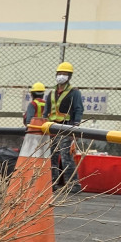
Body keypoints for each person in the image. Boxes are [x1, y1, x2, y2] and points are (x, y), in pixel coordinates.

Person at [46, 61, 83, 191]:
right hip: (52, 129)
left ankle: (73, 184)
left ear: (69, 76)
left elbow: (78, 109)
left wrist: (75, 128)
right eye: (59, 73)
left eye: (64, 74)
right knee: (52, 157)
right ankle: (52, 183)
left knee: (66, 157)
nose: (61, 76)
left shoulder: (74, 92)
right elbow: (47, 111)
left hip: (67, 128)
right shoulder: (51, 93)